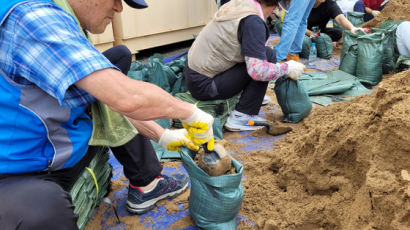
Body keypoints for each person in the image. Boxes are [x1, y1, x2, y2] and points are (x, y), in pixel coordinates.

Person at [0, 0, 215, 228]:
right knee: (43, 211)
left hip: (53, 144)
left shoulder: (67, 17)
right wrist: (190, 112)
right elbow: (123, 97)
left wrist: (163, 135)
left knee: (116, 61)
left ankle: (146, 181)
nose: (119, 8)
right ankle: (146, 181)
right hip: (18, 168)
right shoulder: (33, 18)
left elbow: (108, 98)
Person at [184, 0, 305, 132]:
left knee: (264, 54)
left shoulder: (242, 5)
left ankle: (251, 95)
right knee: (268, 57)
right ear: (274, 5)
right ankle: (241, 116)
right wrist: (286, 68)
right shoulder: (253, 22)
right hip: (205, 86)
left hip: (195, 75)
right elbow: (258, 71)